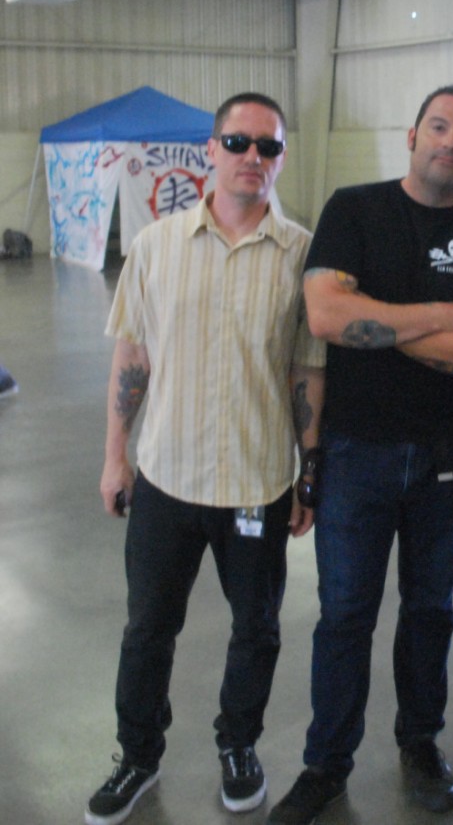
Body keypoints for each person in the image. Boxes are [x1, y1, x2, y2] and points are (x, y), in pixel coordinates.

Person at [268, 83, 453, 825]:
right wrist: (441, 315)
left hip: (448, 457)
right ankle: (325, 762)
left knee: (430, 608)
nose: (450, 142)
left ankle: (419, 741)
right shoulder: (353, 208)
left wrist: (378, 320)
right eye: (439, 127)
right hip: (356, 453)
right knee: (344, 612)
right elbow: (326, 315)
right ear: (411, 134)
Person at [86, 92, 325, 825]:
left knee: (257, 627)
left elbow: (306, 370)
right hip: (167, 476)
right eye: (238, 141)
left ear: (280, 157)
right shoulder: (155, 245)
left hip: (257, 482)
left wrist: (310, 470)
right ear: (210, 150)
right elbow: (132, 353)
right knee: (148, 626)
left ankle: (238, 744)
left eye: (268, 146)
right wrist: (115, 457)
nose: (253, 156)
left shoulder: (301, 252)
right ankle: (137, 753)